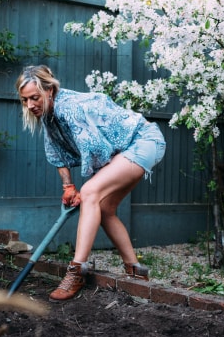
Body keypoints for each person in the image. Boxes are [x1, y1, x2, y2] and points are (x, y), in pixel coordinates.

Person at [15, 65, 166, 302]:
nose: (30, 105)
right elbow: (55, 152)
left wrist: (84, 191)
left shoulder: (71, 109)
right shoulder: (48, 115)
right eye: (25, 100)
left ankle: (77, 270)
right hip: (126, 148)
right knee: (104, 208)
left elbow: (96, 150)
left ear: (50, 91)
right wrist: (68, 187)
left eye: (34, 98)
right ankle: (136, 271)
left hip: (144, 141)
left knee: (91, 192)